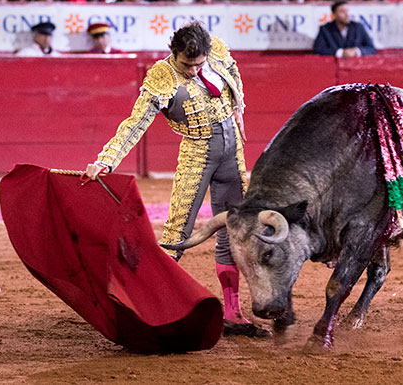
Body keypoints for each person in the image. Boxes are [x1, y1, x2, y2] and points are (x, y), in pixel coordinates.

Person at [84, 22, 270, 338]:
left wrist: (238, 105)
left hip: (232, 154)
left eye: (199, 64)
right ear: (175, 54)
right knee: (176, 233)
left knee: (234, 231)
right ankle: (146, 310)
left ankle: (233, 312)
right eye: (187, 64)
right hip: (197, 155)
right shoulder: (162, 77)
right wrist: (106, 160)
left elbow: (233, 72)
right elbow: (135, 123)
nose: (194, 70)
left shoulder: (217, 50)